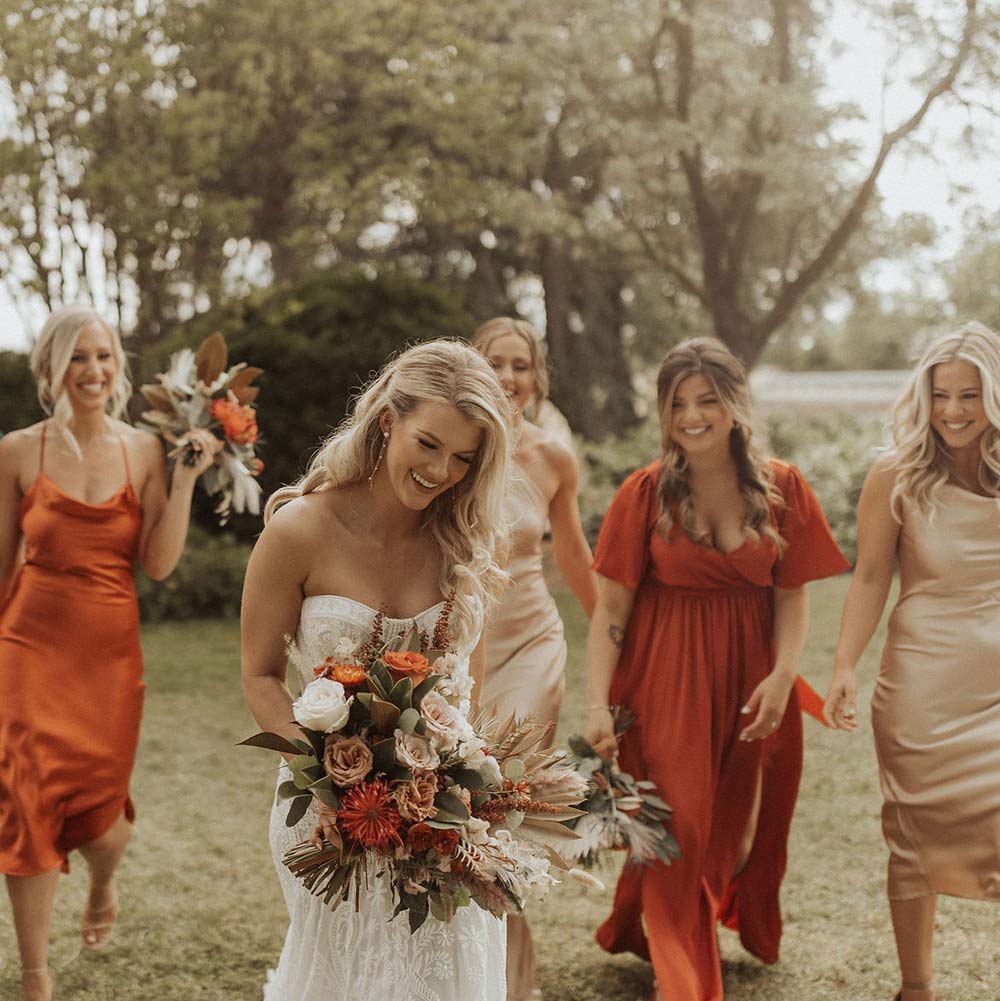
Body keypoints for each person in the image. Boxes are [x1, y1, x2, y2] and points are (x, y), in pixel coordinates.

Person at [241, 339, 514, 1001]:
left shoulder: (461, 544)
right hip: (325, 814)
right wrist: (326, 770)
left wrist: (442, 787)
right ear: (389, 417)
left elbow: (461, 695)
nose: (442, 470)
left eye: (464, 457)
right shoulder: (300, 528)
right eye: (429, 443)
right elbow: (261, 673)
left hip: (438, 818)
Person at [584, 337, 849, 1001]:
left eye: (708, 399)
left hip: (752, 676)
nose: (693, 415)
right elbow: (611, 605)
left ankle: (647, 922)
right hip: (664, 674)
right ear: (663, 413)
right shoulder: (642, 493)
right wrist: (596, 703)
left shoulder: (782, 486)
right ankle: (684, 982)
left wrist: (785, 675)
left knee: (727, 831)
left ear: (735, 405)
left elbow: (791, 595)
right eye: (678, 403)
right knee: (684, 824)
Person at [0, 306, 220, 1001]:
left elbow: (155, 564)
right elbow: (2, 565)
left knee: (103, 823)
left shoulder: (144, 451)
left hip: (109, 656)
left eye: (101, 356)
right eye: (76, 358)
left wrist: (183, 481)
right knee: (24, 794)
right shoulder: (14, 451)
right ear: (50, 369)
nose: (91, 370)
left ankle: (101, 881)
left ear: (116, 366)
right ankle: (36, 974)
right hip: (29, 644)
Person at [823, 322, 1000, 1001]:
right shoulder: (895, 471)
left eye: (970, 396)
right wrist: (844, 665)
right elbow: (870, 577)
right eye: (941, 395)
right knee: (914, 831)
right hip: (923, 685)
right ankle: (916, 986)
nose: (953, 411)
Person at [472, 318, 597, 1001]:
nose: (510, 376)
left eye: (521, 365)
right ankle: (470, 956)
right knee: (458, 799)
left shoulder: (553, 457)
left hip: (531, 639)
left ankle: (512, 979)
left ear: (536, 375)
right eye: (497, 362)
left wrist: (614, 623)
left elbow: (572, 554)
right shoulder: (454, 448)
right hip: (463, 643)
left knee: (502, 796)